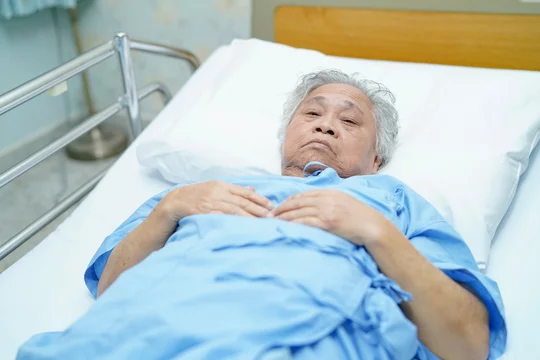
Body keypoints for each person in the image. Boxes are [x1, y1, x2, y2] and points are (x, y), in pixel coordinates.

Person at [17, 70, 506, 360]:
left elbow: (467, 343)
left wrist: (376, 234)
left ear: (375, 158)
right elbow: (110, 294)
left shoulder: (392, 201)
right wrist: (169, 209)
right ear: (286, 136)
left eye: (350, 120)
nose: (327, 126)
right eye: (312, 114)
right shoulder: (196, 193)